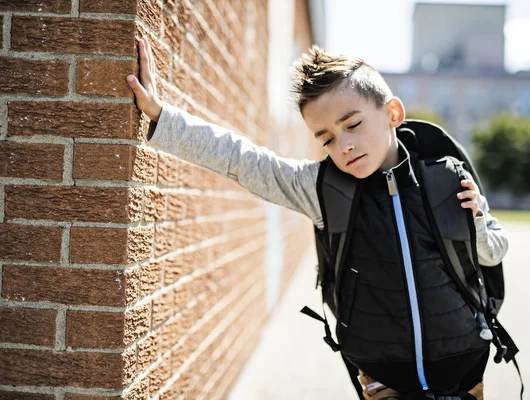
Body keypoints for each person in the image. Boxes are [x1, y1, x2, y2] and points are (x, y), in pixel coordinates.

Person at [127, 36, 508, 400]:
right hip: (384, 377)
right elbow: (241, 159)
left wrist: (474, 223)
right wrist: (163, 117)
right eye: (326, 138)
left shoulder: (447, 178)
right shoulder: (323, 189)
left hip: (464, 369)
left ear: (392, 113)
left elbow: (493, 253)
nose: (344, 146)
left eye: (353, 124)